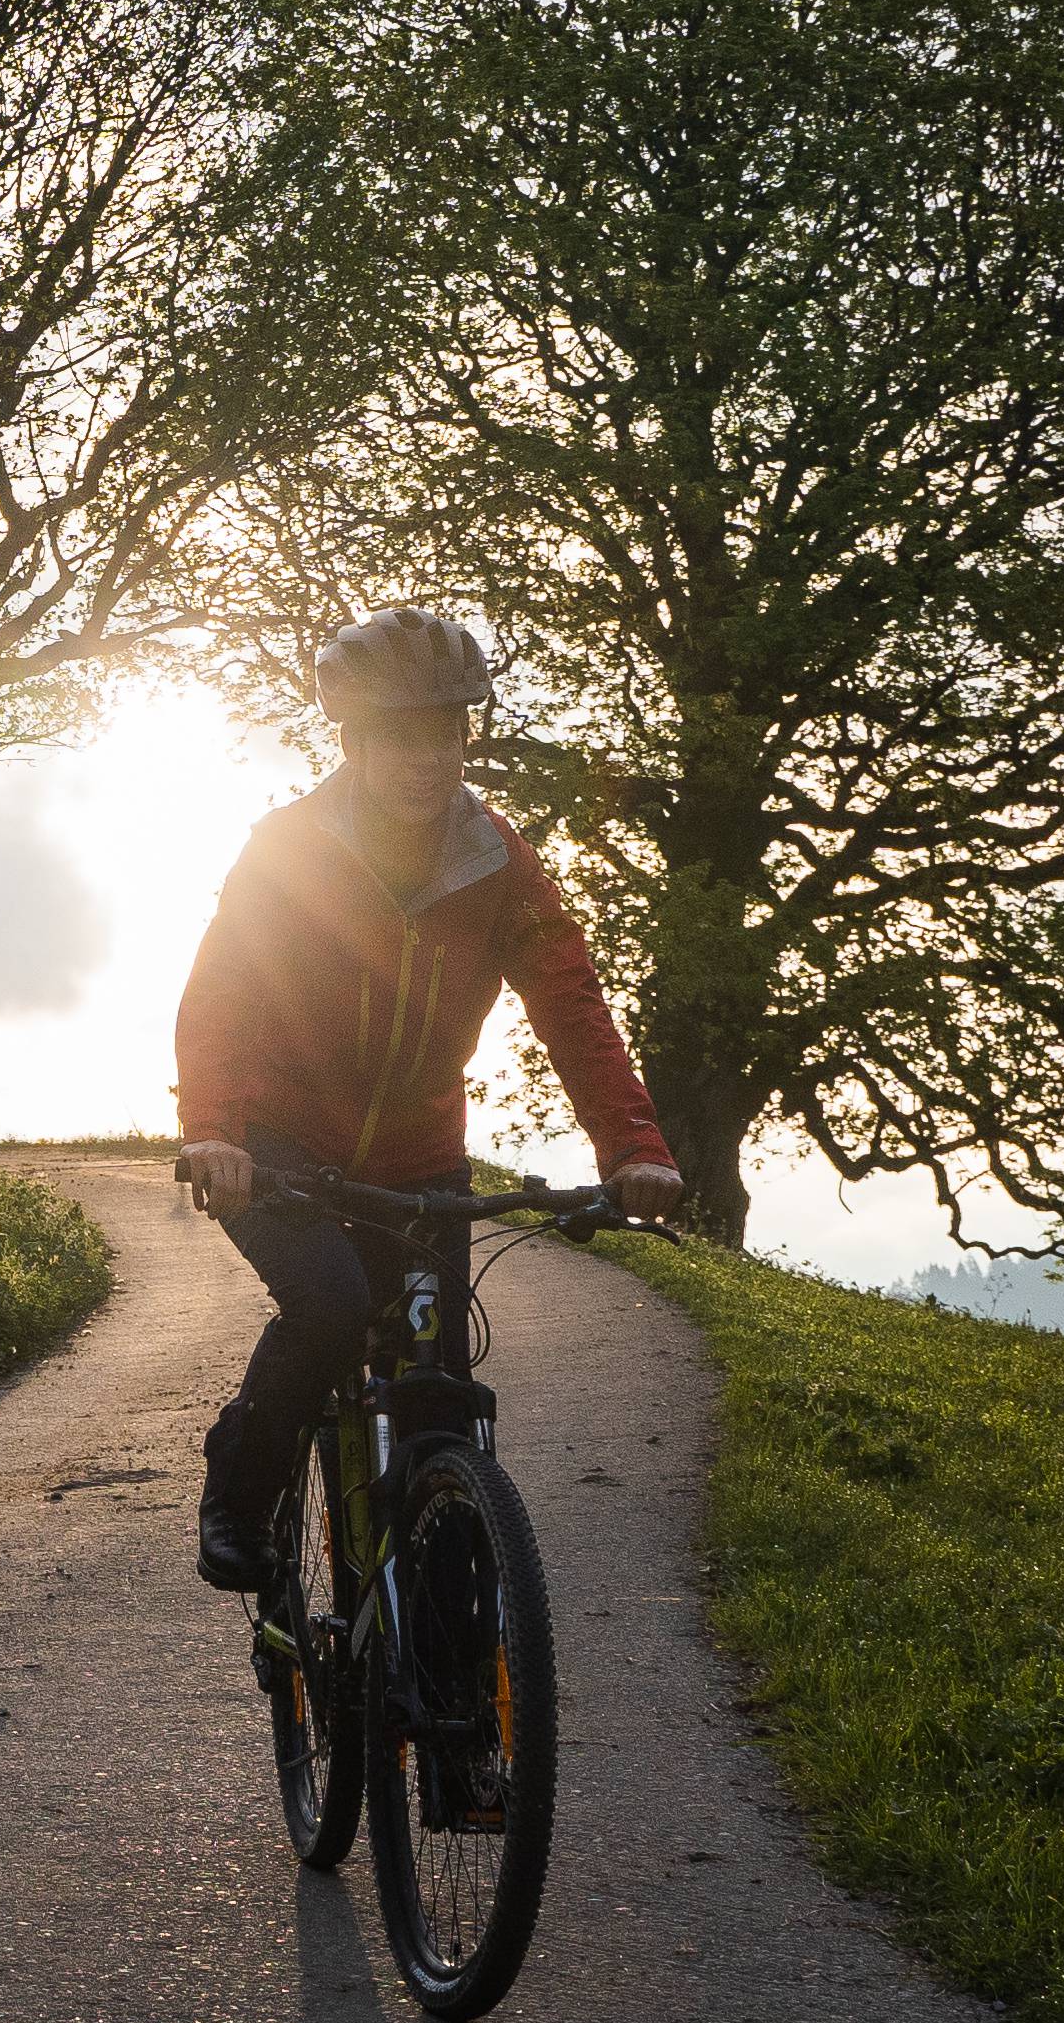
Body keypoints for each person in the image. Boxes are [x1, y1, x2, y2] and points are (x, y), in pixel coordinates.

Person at [172, 605, 683, 1589]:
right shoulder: (286, 851)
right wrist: (213, 1132)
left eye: (446, 731)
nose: (426, 756)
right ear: (355, 741)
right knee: (328, 1306)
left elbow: (569, 999)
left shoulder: (494, 861)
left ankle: (451, 1688)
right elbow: (222, 993)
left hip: (416, 1157)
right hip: (281, 1142)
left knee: (437, 1399)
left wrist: (631, 1146)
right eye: (401, 734)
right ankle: (240, 1485)